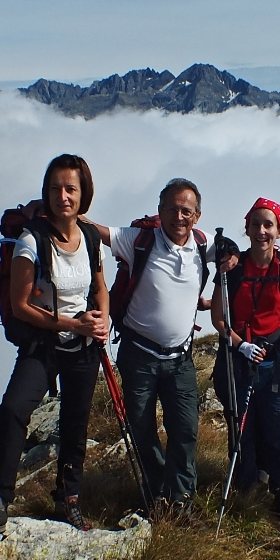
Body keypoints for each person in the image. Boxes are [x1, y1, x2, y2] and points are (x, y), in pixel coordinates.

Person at [0, 154, 110, 536]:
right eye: (56, 188)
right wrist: (75, 323)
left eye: (71, 188)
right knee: (13, 411)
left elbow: (100, 286)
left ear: (83, 193)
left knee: (75, 425)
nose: (63, 196)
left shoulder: (89, 237)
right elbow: (21, 305)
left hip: (84, 346)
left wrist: (102, 319)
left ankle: (68, 500)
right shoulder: (31, 241)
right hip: (44, 343)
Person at [88, 178, 213, 512]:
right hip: (138, 355)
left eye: (186, 210)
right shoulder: (138, 240)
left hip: (180, 358)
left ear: (197, 216)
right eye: (172, 208)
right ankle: (160, 489)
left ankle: (181, 499)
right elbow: (98, 231)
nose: (179, 216)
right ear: (160, 211)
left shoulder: (204, 244)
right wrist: (59, 213)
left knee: (184, 429)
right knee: (141, 428)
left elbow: (238, 253)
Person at [211, 198, 280, 531]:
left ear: (279, 230)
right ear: (246, 228)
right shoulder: (233, 268)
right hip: (238, 358)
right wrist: (240, 345)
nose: (261, 231)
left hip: (275, 359)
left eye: (268, 225)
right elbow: (218, 317)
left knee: (277, 432)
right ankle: (245, 489)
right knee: (242, 428)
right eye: (255, 224)